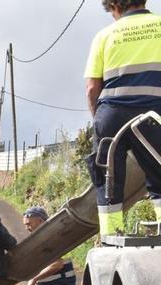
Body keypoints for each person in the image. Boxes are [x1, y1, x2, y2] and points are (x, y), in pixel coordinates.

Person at [86, 1, 161, 236]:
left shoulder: (104, 36)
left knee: (108, 181)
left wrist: (99, 119)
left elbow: (91, 88)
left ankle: (111, 238)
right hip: (153, 114)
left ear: (114, 7)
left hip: (112, 115)